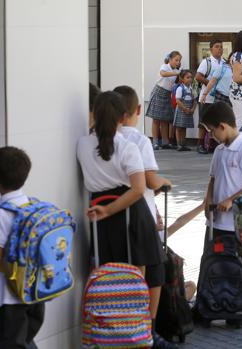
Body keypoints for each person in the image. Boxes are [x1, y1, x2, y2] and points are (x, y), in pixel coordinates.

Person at [78, 91, 176, 349]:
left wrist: (105, 210)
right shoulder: (128, 146)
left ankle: (107, 333)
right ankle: (140, 335)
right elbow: (137, 189)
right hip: (130, 214)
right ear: (124, 117)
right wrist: (110, 210)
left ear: (94, 115)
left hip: (101, 217)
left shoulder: (83, 144)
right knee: (137, 281)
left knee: (106, 276)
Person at [115, 85, 173, 324]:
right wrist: (165, 182)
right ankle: (145, 328)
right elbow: (150, 180)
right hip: (141, 216)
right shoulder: (138, 140)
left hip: (114, 216)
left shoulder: (104, 138)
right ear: (138, 109)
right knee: (154, 273)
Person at [0, 146, 45, 349]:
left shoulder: (1, 213)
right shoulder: (32, 206)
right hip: (35, 292)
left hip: (10, 297)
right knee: (25, 341)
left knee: (11, 343)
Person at [201, 102, 242, 242]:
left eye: (211, 131)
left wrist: (231, 200)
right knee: (211, 261)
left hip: (235, 225)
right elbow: (213, 179)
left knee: (233, 262)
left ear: (222, 126)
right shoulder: (218, 150)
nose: (210, 136)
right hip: (214, 222)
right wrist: (208, 199)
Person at [146, 51, 182, 150]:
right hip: (158, 92)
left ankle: (165, 142)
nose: (178, 62)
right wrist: (176, 72)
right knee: (156, 119)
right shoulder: (165, 66)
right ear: (170, 59)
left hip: (167, 94)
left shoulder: (177, 70)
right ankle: (155, 143)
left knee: (165, 120)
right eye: (176, 60)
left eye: (179, 60)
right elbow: (163, 74)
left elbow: (178, 81)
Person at [195, 40, 225, 154]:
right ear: (211, 49)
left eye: (221, 47)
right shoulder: (206, 62)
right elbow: (198, 76)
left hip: (219, 98)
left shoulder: (224, 62)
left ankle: (212, 144)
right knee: (204, 122)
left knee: (216, 123)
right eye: (217, 47)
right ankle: (200, 145)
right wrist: (211, 85)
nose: (220, 49)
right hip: (206, 97)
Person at [172, 70, 197, 151]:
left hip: (189, 110)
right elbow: (178, 101)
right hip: (181, 110)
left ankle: (183, 144)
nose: (190, 79)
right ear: (182, 79)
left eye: (191, 77)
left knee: (184, 127)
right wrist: (185, 108)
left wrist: (193, 109)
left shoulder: (192, 89)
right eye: (187, 77)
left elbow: (195, 100)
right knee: (179, 127)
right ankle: (179, 144)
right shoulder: (180, 88)